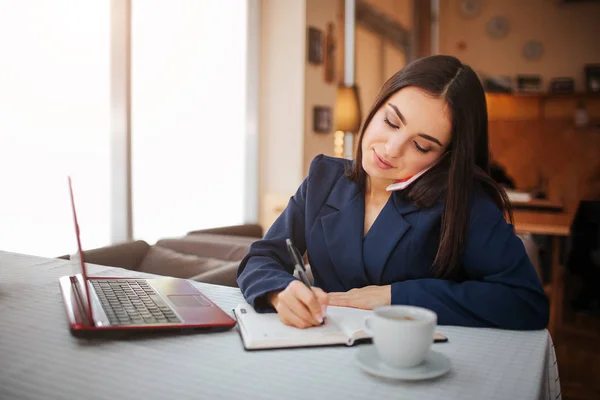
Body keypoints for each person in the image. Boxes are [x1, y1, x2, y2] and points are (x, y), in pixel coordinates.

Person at [237, 55, 549, 330]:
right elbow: (262, 258)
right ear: (376, 106)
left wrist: (394, 296)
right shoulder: (324, 177)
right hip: (322, 353)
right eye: (390, 121)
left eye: (421, 146)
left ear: (446, 156)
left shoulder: (464, 204)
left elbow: (525, 301)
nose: (391, 148)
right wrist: (280, 292)